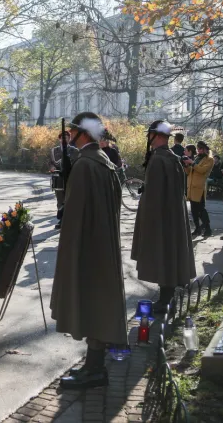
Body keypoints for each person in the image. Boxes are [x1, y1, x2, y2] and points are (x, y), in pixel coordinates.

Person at [50, 112, 127, 390]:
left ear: (84, 133)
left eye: (73, 131)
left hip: (88, 247)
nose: (69, 135)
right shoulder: (103, 160)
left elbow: (74, 216)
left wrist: (71, 252)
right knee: (99, 303)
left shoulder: (85, 165)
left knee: (90, 304)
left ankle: (95, 371)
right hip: (103, 243)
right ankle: (94, 366)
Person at [132, 120, 196, 313]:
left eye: (150, 134)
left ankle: (165, 300)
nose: (147, 138)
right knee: (169, 254)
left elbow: (156, 194)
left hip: (161, 216)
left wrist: (149, 220)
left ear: (158, 136)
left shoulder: (160, 159)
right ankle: (166, 296)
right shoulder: (170, 157)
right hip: (170, 214)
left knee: (163, 255)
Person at [50, 131, 80, 230]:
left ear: (69, 139)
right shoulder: (54, 150)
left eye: (67, 137)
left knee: (69, 199)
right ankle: (61, 219)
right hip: (58, 179)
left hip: (70, 178)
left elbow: (76, 162)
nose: (64, 139)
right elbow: (51, 163)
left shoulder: (74, 151)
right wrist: (52, 167)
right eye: (62, 137)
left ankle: (67, 220)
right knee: (60, 200)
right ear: (59, 139)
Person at [184, 140, 214, 237]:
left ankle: (208, 229)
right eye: (198, 148)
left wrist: (192, 163)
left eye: (201, 148)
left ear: (205, 149)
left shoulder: (209, 159)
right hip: (191, 187)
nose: (199, 150)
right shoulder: (197, 158)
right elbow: (189, 172)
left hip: (199, 188)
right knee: (193, 211)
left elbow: (202, 170)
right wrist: (186, 165)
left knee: (201, 210)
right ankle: (197, 229)